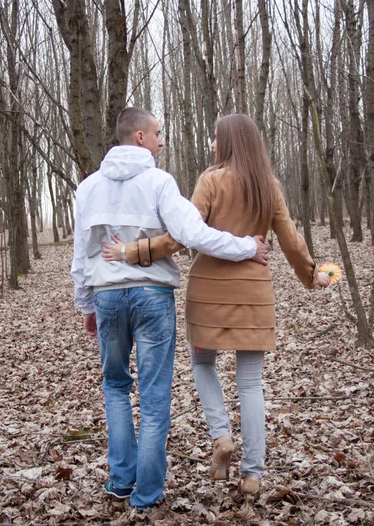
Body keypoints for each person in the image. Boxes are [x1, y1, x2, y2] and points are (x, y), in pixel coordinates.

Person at [102, 113, 329, 498]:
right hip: (254, 296)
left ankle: (221, 435)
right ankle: (254, 473)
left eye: (215, 138)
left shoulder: (210, 180)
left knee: (203, 364)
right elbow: (289, 238)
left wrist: (132, 252)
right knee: (251, 382)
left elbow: (179, 237)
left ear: (229, 142)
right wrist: (312, 274)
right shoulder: (267, 186)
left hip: (207, 294)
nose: (211, 144)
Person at [70, 107, 271, 510]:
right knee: (155, 394)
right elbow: (194, 235)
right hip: (151, 297)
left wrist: (86, 304)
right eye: (158, 133)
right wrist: (248, 246)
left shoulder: (88, 187)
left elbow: (82, 254)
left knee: (114, 387)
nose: (162, 141)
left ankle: (121, 481)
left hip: (107, 296)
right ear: (140, 137)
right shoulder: (160, 182)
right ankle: (147, 494)